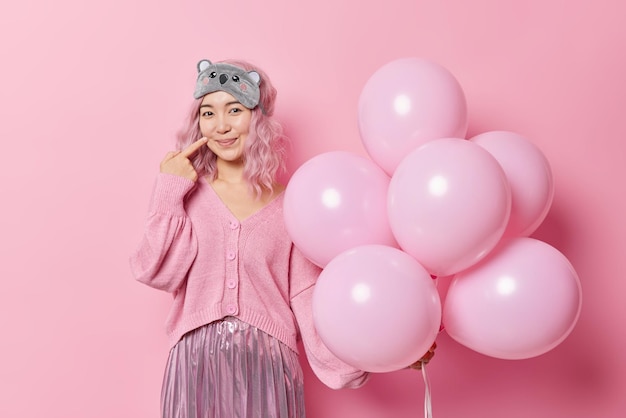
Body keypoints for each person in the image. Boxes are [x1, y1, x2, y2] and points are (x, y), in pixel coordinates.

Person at [129, 58, 371, 418]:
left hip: (268, 366)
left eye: (235, 110)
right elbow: (153, 269)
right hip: (195, 364)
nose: (221, 126)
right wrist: (169, 188)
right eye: (208, 114)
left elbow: (308, 299)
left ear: (257, 117)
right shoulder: (185, 196)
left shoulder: (293, 206)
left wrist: (376, 355)